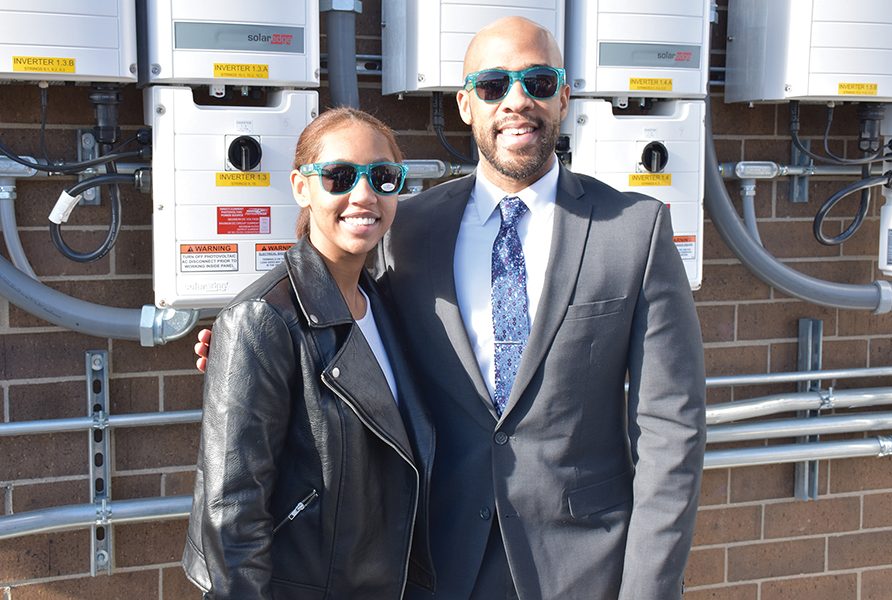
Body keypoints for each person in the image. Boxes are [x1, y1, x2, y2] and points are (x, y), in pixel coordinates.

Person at [197, 16, 706, 600]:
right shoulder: (409, 229)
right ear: (466, 105)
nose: (517, 101)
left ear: (565, 96)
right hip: (434, 566)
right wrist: (249, 345)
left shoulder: (634, 232)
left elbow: (672, 430)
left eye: (538, 82)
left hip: (585, 567)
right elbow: (340, 324)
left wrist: (648, 590)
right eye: (493, 86)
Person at [182, 107, 435, 599]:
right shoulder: (261, 319)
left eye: (382, 177)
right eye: (340, 176)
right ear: (302, 187)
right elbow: (231, 511)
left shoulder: (384, 304)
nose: (363, 194)